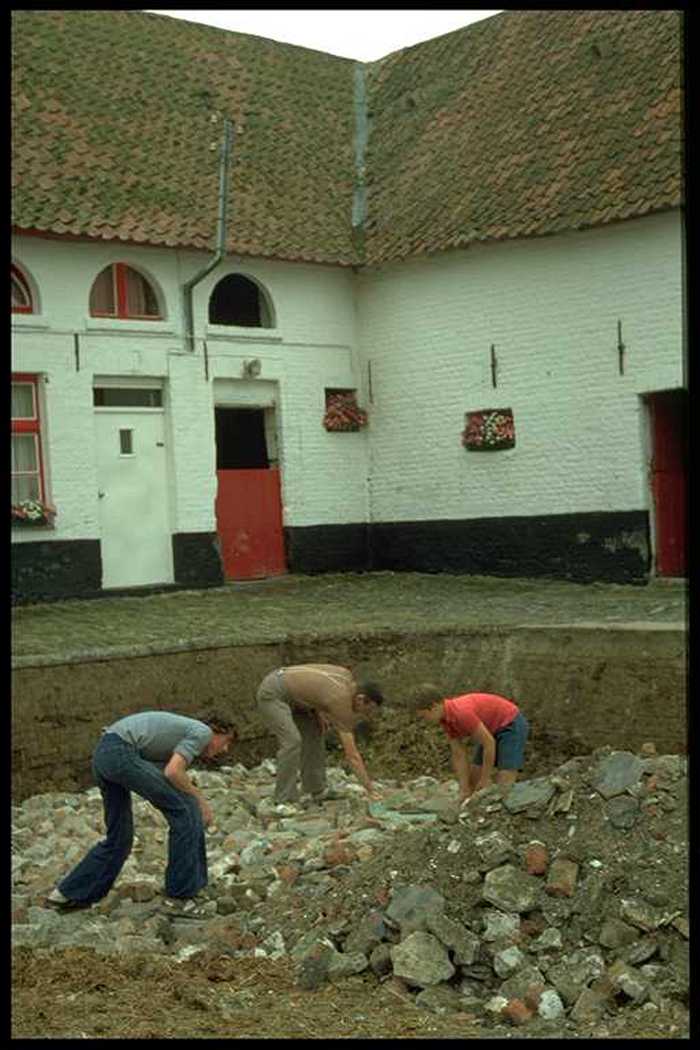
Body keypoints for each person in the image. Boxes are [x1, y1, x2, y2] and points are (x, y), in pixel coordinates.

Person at [45, 710, 237, 918]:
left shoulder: (174, 739)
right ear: (217, 730)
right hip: (121, 751)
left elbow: (163, 776)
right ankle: (180, 897)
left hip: (103, 754)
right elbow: (173, 772)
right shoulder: (202, 732)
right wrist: (201, 802)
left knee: (119, 838)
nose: (225, 749)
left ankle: (66, 895)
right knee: (186, 809)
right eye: (226, 741)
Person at [255, 664, 384, 811]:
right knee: (292, 742)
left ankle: (316, 789)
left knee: (316, 731)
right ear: (360, 699)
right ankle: (283, 800)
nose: (367, 715)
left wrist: (319, 710)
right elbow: (352, 756)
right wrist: (370, 789)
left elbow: (315, 689)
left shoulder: (345, 676)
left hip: (297, 698)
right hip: (273, 693)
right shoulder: (341, 702)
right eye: (368, 710)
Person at [409, 683, 529, 805]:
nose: (424, 721)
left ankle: (504, 809)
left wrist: (485, 778)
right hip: (491, 730)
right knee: (473, 782)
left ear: (434, 707)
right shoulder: (445, 720)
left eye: (423, 716)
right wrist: (464, 788)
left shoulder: (461, 713)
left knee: (504, 782)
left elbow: (489, 744)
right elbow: (458, 754)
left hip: (510, 723)